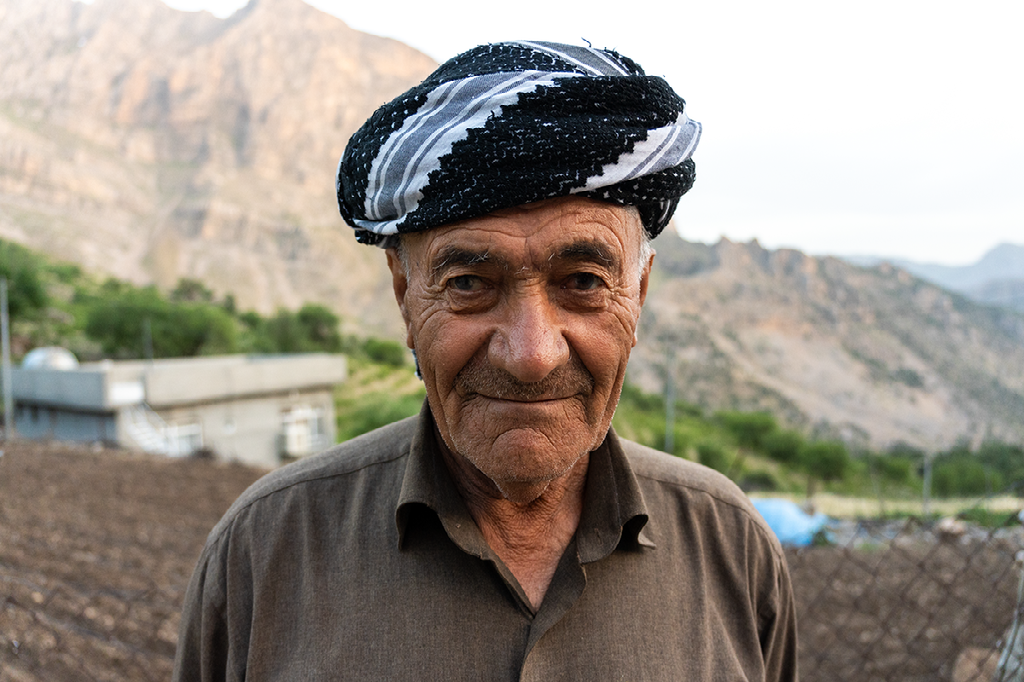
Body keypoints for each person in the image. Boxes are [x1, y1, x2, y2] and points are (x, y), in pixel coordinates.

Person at [173, 40, 798, 681]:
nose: (530, 354)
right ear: (404, 295)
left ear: (636, 295)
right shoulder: (262, 553)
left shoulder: (733, 549)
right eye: (470, 283)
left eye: (583, 281)